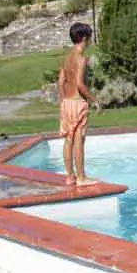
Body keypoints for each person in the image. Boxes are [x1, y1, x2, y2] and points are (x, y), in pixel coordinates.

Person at [57, 22, 98, 188]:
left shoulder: (67, 58)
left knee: (68, 140)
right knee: (79, 140)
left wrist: (62, 102)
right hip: (78, 103)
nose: (89, 41)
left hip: (66, 103)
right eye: (89, 38)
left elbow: (60, 82)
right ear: (83, 38)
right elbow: (80, 84)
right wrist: (95, 100)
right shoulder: (81, 59)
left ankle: (70, 177)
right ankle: (81, 177)